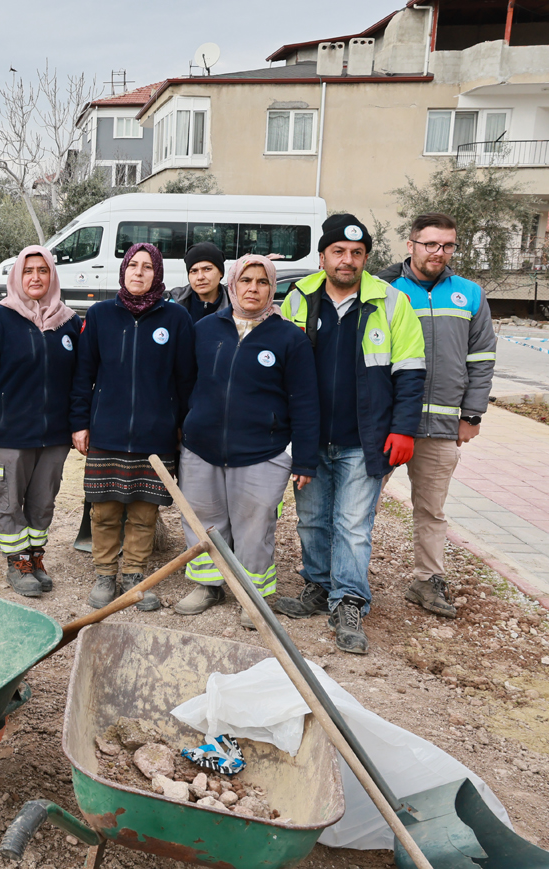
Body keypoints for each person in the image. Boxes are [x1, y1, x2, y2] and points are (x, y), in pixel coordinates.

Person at [275, 214, 425, 655]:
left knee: (354, 525)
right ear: (322, 257)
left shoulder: (393, 303)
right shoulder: (298, 300)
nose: (348, 260)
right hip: (310, 438)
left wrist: (403, 429)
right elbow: (279, 370)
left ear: (365, 259)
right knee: (313, 520)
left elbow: (411, 373)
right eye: (338, 252)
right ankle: (319, 587)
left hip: (366, 438)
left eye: (357, 253)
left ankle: (349, 600)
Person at [175, 254, 319, 624]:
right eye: (246, 281)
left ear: (272, 288)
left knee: (254, 526)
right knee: (204, 521)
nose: (253, 288)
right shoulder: (206, 329)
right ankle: (209, 585)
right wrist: (185, 428)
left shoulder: (289, 337)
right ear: (233, 284)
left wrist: (302, 457)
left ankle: (251, 596)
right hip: (202, 449)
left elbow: (304, 401)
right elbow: (185, 384)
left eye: (262, 282)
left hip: (262, 451)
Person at [378, 213, 494, 619]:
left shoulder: (470, 294)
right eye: (430, 244)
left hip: (443, 428)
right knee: (362, 504)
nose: (439, 252)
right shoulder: (385, 289)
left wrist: (473, 415)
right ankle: (346, 581)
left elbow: (481, 359)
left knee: (431, 510)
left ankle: (427, 582)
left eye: (447, 245)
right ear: (410, 246)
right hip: (388, 425)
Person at [73, 242, 196, 611]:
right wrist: (80, 423)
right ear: (123, 270)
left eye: (147, 267)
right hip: (106, 430)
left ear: (157, 274)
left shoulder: (176, 319)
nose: (139, 272)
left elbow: (186, 380)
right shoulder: (99, 315)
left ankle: (135, 576)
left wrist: (181, 426)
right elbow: (83, 375)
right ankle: (105, 574)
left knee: (144, 512)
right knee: (104, 510)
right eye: (133, 266)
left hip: (155, 434)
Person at [0, 246, 82, 596]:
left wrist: (78, 423)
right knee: (9, 500)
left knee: (42, 502)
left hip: (54, 435)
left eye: (43, 270)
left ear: (52, 276)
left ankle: (35, 557)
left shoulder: (70, 323)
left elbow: (80, 379)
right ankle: (16, 562)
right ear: (17, 276)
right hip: (9, 434)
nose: (36, 277)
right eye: (28, 270)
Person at [168, 241, 230, 323]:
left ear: (221, 272)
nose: (200, 277)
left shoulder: (235, 304)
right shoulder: (175, 302)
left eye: (207, 269)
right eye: (194, 271)